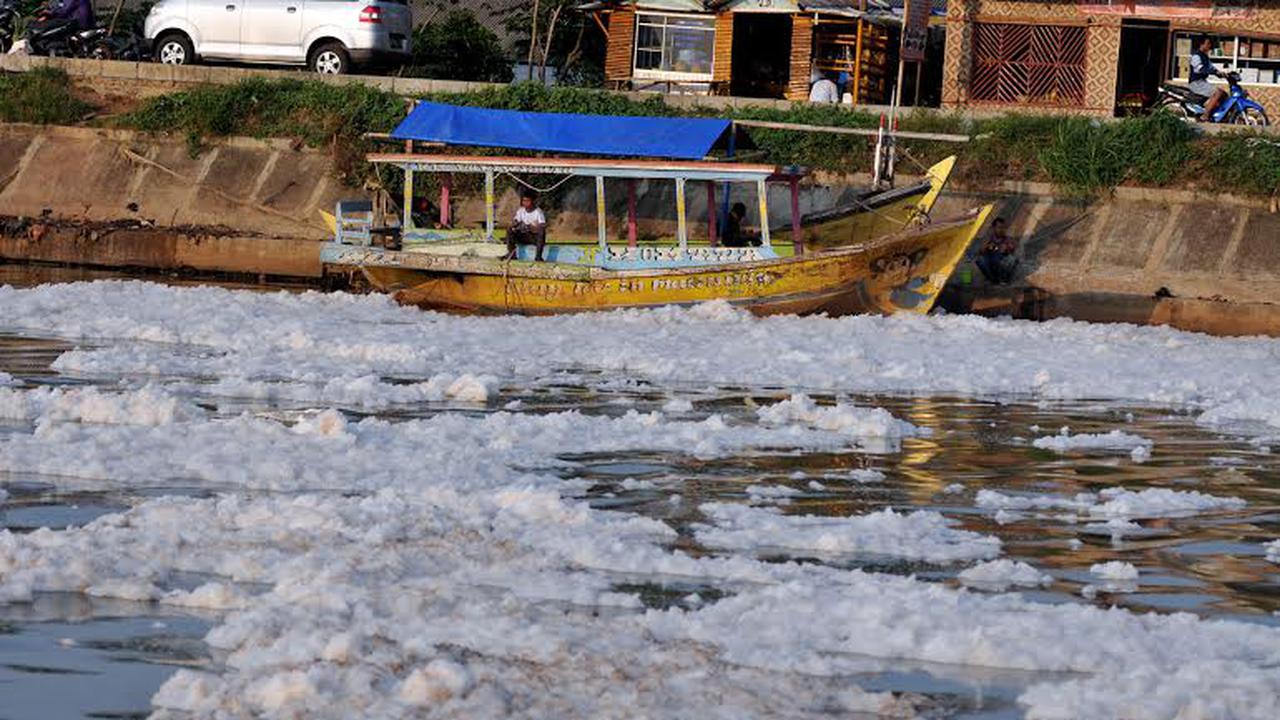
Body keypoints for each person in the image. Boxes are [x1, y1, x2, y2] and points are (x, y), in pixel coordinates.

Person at [1189, 35, 1228, 121]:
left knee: (1224, 94)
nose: (1210, 46)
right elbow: (1200, 69)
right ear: (1201, 44)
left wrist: (1222, 74)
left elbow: (1212, 68)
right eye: (1208, 43)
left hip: (1202, 82)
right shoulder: (1196, 56)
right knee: (1218, 93)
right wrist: (1214, 72)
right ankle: (1205, 115)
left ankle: (1214, 113)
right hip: (1196, 83)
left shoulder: (1205, 57)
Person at [975, 216, 1018, 285]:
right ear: (994, 228)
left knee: (1012, 259)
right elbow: (981, 251)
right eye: (1000, 227)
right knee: (980, 259)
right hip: (991, 266)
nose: (1002, 230)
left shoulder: (1007, 239)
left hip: (1001, 266)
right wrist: (987, 247)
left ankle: (1003, 280)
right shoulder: (989, 238)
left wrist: (1007, 248)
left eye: (1004, 228)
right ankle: (991, 279)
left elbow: (1012, 249)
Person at [506, 190, 546, 262]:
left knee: (541, 232)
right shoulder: (521, 211)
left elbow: (542, 226)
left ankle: (538, 257)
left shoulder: (538, 212)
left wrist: (531, 227)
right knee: (509, 230)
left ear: (533, 201)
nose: (525, 203)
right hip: (523, 236)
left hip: (533, 238)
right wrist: (514, 225)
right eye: (524, 201)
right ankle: (512, 254)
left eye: (528, 201)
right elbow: (516, 220)